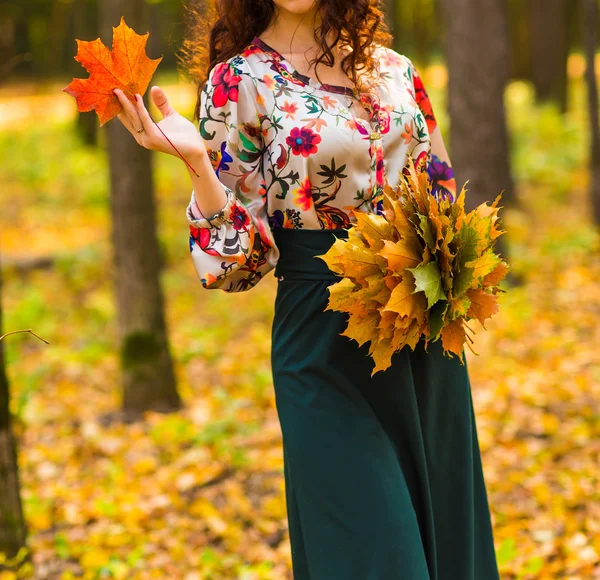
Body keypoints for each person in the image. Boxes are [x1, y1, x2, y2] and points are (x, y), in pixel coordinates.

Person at [113, 1, 500, 578]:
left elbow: (442, 192)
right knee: (376, 557)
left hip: (420, 330)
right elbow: (239, 265)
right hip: (322, 343)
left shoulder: (396, 70)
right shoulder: (236, 83)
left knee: (445, 547)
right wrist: (198, 163)